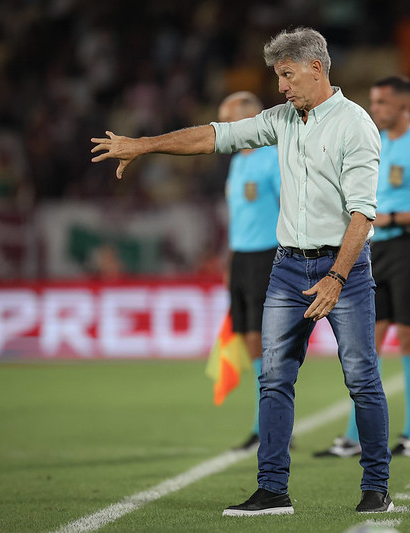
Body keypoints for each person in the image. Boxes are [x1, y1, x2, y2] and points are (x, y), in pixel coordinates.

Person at [91, 27, 393, 516]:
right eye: (278, 77)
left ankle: (376, 488)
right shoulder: (282, 120)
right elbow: (216, 136)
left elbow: (362, 214)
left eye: (287, 75)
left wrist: (337, 277)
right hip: (287, 267)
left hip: (345, 268)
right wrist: (144, 145)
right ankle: (273, 489)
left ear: (317, 68)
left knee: (360, 377)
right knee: (273, 378)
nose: (281, 87)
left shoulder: (355, 125)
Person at [314, 76, 410, 459]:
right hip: (377, 251)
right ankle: (353, 436)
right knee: (366, 342)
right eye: (372, 102)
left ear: (403, 105)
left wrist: (391, 217)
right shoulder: (376, 141)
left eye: (381, 103)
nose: (374, 109)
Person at [217, 91, 281, 451]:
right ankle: (266, 422)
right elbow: (238, 216)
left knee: (262, 340)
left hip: (266, 256)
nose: (224, 128)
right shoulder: (237, 161)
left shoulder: (272, 158)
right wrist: (229, 260)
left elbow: (288, 206)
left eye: (230, 121)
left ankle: (267, 426)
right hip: (241, 258)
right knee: (246, 339)